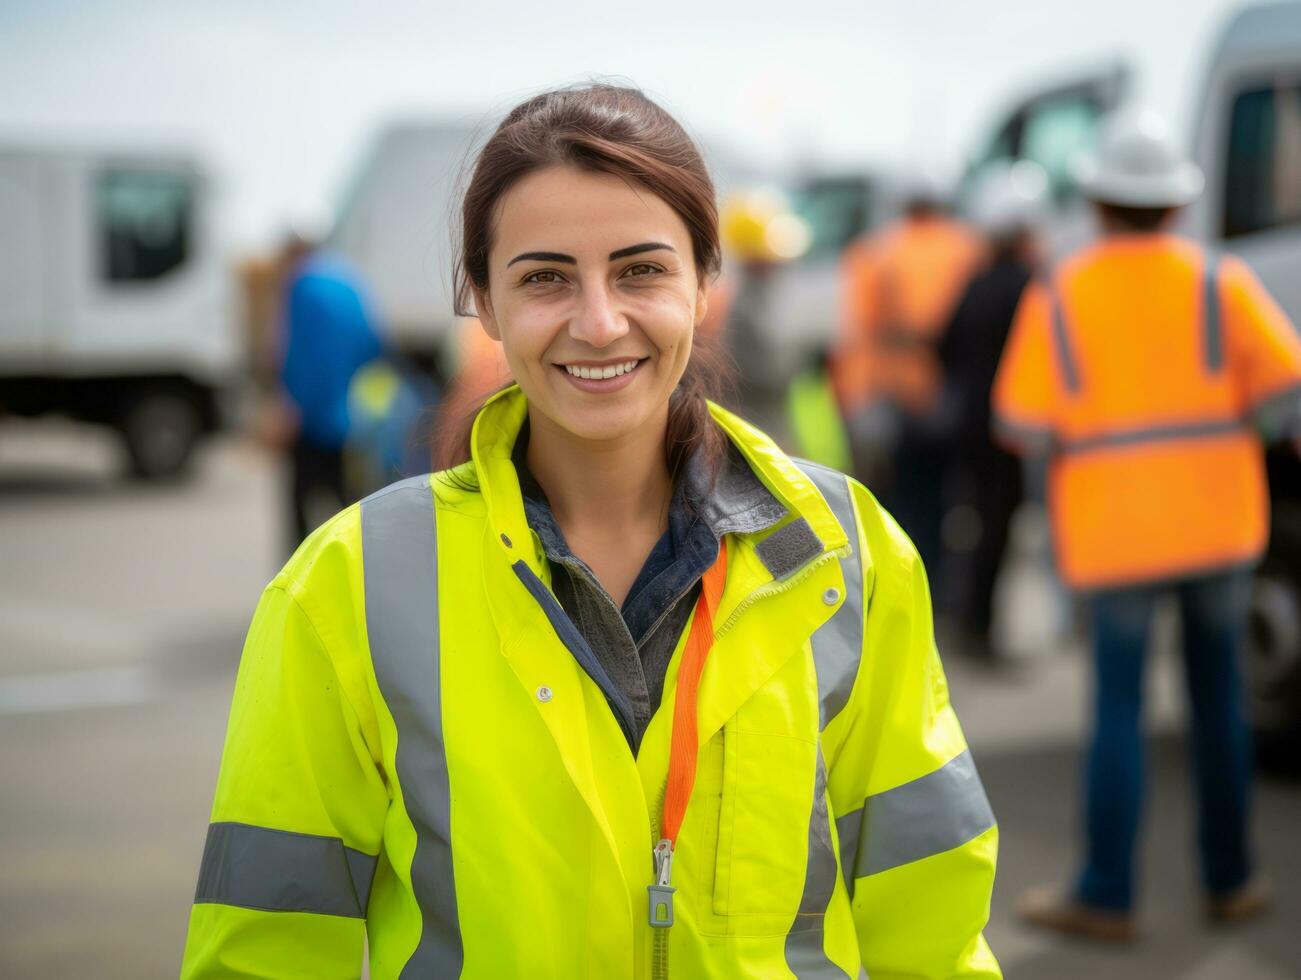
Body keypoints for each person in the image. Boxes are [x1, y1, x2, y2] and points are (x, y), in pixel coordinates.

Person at [180, 84, 1000, 979]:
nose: (599, 321)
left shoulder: (847, 554)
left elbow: (932, 924)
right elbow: (265, 947)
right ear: (482, 302)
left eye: (642, 269)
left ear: (704, 284)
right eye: (544, 278)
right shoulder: (349, 584)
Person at [994, 110, 1301, 939]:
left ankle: (1104, 893)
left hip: (1114, 536)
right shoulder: (1220, 282)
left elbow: (1021, 422)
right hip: (1218, 528)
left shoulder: (1060, 290)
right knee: (1219, 705)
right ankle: (1231, 880)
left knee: (1120, 714)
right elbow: (1286, 400)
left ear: (1096, 200)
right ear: (1175, 205)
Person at [833, 175, 984, 575]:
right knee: (948, 498)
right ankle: (942, 579)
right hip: (951, 395)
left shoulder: (874, 252)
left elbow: (858, 332)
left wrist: (855, 401)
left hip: (893, 393)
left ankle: (899, 577)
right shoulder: (969, 248)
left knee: (898, 500)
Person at [938, 162, 1048, 661]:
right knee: (997, 529)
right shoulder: (1032, 286)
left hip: (969, 423)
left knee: (976, 523)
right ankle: (980, 631)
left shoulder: (975, 283)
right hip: (1011, 429)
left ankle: (969, 621)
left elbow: (944, 347)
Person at [276, 232, 384, 551]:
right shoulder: (348, 280)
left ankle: (300, 574)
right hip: (352, 410)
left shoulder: (301, 286)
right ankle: (359, 562)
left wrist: (291, 402)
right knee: (348, 497)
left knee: (300, 498)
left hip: (315, 413)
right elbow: (373, 344)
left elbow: (299, 355)